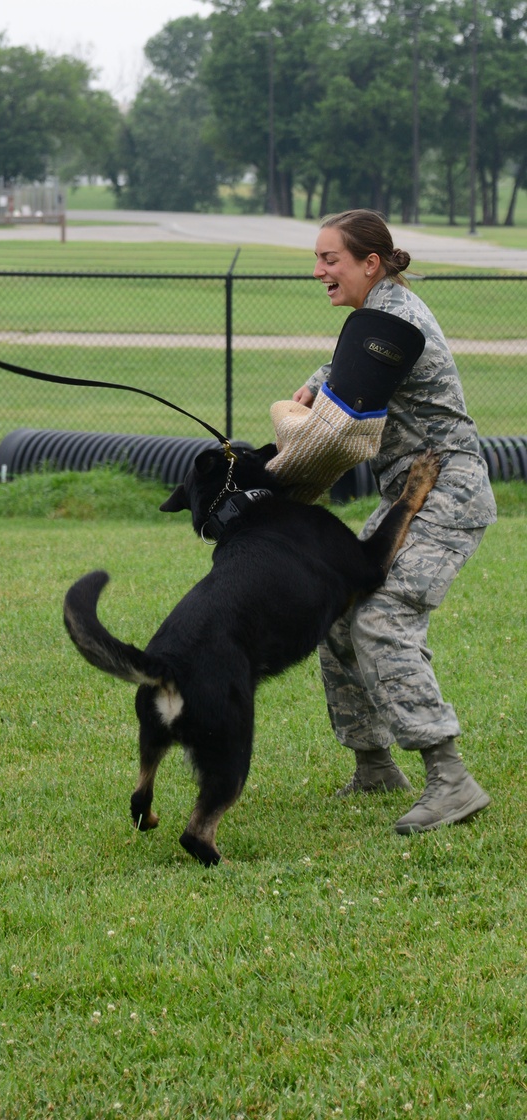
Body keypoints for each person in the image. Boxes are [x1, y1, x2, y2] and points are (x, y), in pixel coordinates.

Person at [277, 208, 495, 836]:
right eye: (316, 259)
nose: (318, 271)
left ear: (370, 263)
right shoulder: (378, 319)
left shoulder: (395, 320)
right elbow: (347, 380)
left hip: (446, 489)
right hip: (408, 490)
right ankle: (374, 763)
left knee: (381, 616)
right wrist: (317, 384)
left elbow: (342, 427)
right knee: (339, 607)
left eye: (330, 259)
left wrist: (275, 480)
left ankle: (450, 779)